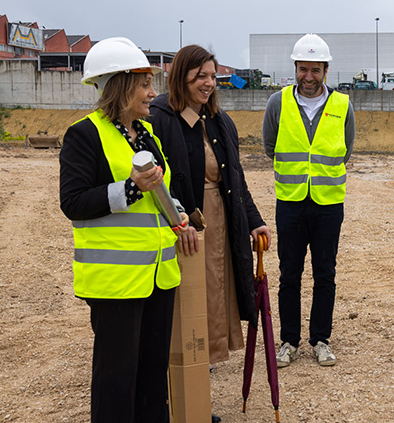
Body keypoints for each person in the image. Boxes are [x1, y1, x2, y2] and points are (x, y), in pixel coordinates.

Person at [59, 37, 188, 423]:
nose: (151, 91)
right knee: (116, 372)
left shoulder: (146, 136)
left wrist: (178, 215)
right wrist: (130, 189)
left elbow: (158, 193)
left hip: (157, 272)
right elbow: (73, 203)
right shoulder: (84, 136)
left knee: (153, 365)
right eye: (144, 82)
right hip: (114, 280)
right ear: (120, 85)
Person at [149, 45, 270, 393]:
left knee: (213, 297)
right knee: (183, 306)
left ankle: (195, 381)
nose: (208, 83)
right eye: (200, 76)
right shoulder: (159, 117)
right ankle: (176, 393)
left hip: (219, 225)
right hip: (181, 230)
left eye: (212, 76)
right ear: (181, 77)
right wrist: (178, 223)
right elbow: (156, 185)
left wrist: (254, 220)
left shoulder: (219, 120)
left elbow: (236, 177)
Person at [261, 34, 355, 368]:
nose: (309, 76)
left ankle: (321, 339)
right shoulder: (278, 102)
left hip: (329, 204)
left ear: (326, 70)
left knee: (325, 273)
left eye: (315, 70)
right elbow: (270, 146)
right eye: (303, 69)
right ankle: (289, 340)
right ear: (295, 68)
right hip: (290, 202)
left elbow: (346, 149)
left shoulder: (342, 105)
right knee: (290, 274)